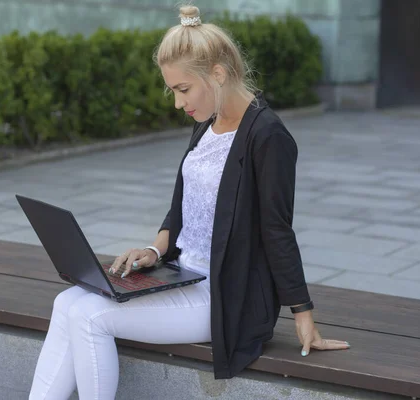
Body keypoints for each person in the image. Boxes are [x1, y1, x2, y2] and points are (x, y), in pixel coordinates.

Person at [28, 4, 349, 399]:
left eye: (183, 90)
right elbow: (182, 207)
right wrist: (153, 249)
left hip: (223, 296)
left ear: (218, 74)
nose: (179, 104)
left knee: (90, 317)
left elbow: (277, 229)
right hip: (181, 275)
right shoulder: (206, 124)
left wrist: (303, 313)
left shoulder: (268, 137)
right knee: (66, 303)